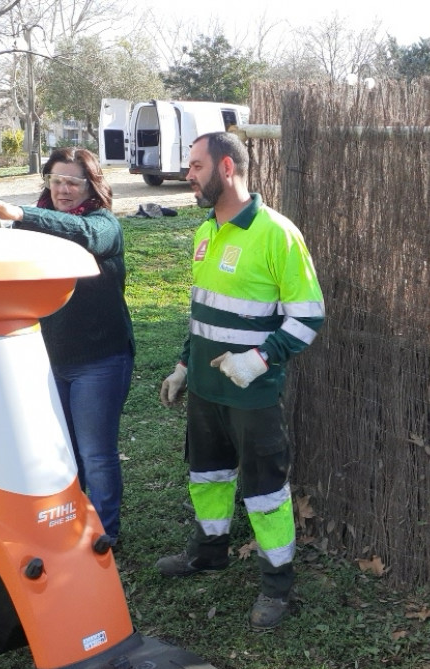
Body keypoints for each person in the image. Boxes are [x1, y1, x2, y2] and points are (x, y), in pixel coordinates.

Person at [157, 132, 325, 631]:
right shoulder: (205, 231)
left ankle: (278, 586)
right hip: (207, 393)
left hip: (253, 393)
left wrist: (259, 359)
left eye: (196, 165)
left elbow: (308, 317)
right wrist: (185, 367)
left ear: (226, 168)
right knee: (206, 475)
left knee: (265, 490)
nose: (188, 174)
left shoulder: (277, 233)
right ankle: (209, 552)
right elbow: (202, 313)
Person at [0, 148, 135, 545]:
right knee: (61, 453)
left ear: (91, 186)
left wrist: (19, 214)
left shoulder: (104, 225)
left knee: (96, 455)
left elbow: (82, 236)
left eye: (73, 182)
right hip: (49, 361)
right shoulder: (34, 227)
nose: (63, 189)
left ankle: (104, 534)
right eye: (56, 180)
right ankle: (71, 525)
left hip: (100, 361)